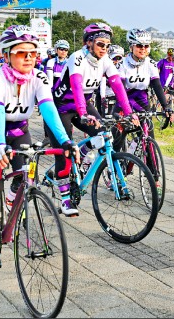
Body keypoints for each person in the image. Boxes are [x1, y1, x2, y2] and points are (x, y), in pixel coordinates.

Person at [0, 25, 77, 269]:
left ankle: (12, 200)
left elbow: (49, 109)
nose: (29, 57)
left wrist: (65, 141)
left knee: (26, 177)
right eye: (21, 53)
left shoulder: (39, 76)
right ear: (7, 55)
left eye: (33, 52)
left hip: (19, 130)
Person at [48, 22, 135, 217]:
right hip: (61, 107)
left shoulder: (104, 60)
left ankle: (84, 153)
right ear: (89, 43)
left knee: (106, 134)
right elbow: (77, 86)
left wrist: (129, 112)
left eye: (107, 45)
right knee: (65, 151)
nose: (105, 49)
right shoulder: (76, 58)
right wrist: (83, 113)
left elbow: (117, 85)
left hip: (83, 105)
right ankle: (65, 199)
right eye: (100, 44)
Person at [113, 28, 170, 150]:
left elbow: (157, 85)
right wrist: (126, 111)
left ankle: (152, 169)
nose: (143, 48)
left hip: (141, 101)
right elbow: (121, 89)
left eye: (146, 46)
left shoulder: (151, 64)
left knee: (149, 143)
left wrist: (166, 106)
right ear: (131, 47)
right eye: (139, 45)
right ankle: (116, 164)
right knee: (117, 140)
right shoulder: (122, 64)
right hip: (124, 101)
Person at [99, 44, 124, 116]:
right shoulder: (105, 66)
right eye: (114, 58)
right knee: (105, 116)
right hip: (106, 94)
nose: (116, 61)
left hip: (117, 95)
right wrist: (103, 97)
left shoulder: (122, 67)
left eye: (119, 58)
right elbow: (103, 83)